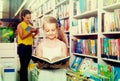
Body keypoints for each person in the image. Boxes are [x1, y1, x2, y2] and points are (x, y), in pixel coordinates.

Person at [36, 16, 69, 81]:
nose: (50, 33)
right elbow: (38, 65)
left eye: (53, 30)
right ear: (44, 31)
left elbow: (66, 64)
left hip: (59, 75)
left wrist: (59, 64)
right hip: (45, 75)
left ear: (57, 29)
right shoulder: (40, 46)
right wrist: (42, 64)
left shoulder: (62, 45)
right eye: (47, 31)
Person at [17, 9, 38, 81]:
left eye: (30, 18)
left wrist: (36, 33)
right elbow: (22, 36)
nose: (29, 19)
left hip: (29, 47)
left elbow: (30, 36)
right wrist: (31, 31)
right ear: (23, 17)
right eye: (27, 18)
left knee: (26, 66)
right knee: (23, 66)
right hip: (22, 47)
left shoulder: (28, 25)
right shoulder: (20, 25)